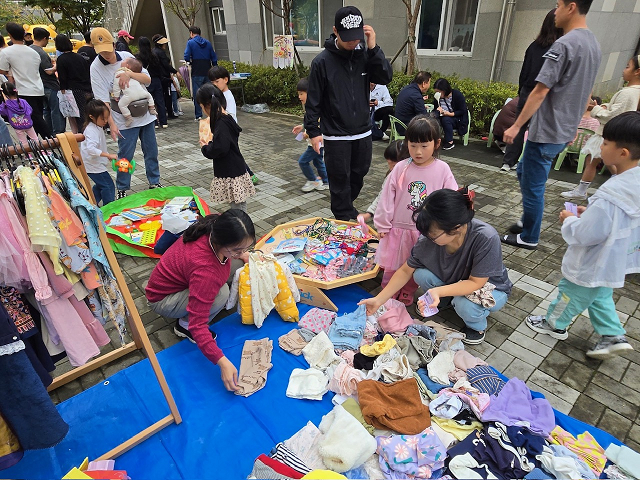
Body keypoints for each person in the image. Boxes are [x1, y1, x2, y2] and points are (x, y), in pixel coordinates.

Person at [525, 112, 640, 359]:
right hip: (614, 259)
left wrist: (571, 220)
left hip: (593, 259)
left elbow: (586, 234)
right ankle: (612, 334)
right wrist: (590, 214)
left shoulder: (611, 193)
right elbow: (616, 220)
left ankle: (554, 324)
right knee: (600, 294)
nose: (601, 146)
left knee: (570, 292)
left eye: (605, 142)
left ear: (623, 153)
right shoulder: (634, 183)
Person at [501, 0, 601, 250]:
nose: (555, 11)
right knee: (524, 172)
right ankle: (528, 220)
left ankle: (529, 236)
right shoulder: (593, 44)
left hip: (547, 131)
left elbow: (540, 90)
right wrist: (573, 126)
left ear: (571, 7)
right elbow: (585, 93)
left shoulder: (564, 44)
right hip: (561, 130)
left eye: (558, 5)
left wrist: (516, 126)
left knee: (533, 187)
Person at [360, 188, 512, 345]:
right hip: (456, 279)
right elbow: (405, 270)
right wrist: (379, 299)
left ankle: (476, 327)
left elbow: (476, 282)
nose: (427, 237)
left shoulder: (486, 237)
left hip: (490, 287)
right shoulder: (428, 238)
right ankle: (444, 301)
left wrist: (438, 291)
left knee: (464, 304)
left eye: (433, 234)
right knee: (421, 274)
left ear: (457, 228)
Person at [146, 210, 256, 392]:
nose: (241, 252)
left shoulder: (215, 224)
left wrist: (242, 254)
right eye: (237, 249)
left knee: (239, 265)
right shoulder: (206, 270)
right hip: (163, 299)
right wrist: (222, 362)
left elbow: (229, 256)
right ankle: (183, 325)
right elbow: (198, 325)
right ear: (222, 242)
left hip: (178, 283)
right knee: (222, 293)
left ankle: (193, 308)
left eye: (245, 247)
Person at [304, 5, 393, 221]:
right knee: (339, 179)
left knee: (359, 174)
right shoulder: (322, 62)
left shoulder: (364, 54)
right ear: (335, 31)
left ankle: (345, 207)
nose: (353, 42)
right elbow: (313, 101)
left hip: (363, 131)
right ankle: (342, 217)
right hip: (336, 134)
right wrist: (313, 131)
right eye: (348, 38)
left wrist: (374, 48)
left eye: (356, 37)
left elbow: (385, 77)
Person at [374, 116, 458, 306]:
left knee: (415, 264)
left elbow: (450, 197)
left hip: (425, 232)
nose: (418, 152)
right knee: (392, 265)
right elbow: (387, 197)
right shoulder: (401, 167)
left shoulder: (442, 169)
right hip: (398, 228)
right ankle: (387, 292)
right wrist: (382, 224)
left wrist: (446, 225)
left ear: (436, 144)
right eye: (413, 145)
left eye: (424, 146)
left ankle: (408, 291)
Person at [90, 27, 163, 199]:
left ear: (114, 45)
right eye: (101, 52)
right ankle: (122, 187)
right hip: (123, 118)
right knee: (125, 156)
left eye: (108, 50)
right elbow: (103, 101)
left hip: (145, 114)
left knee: (151, 151)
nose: (106, 55)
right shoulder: (95, 68)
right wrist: (112, 125)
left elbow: (147, 79)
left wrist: (129, 74)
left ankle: (154, 181)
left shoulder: (126, 57)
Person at [561, 56, 640, 200]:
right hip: (615, 134)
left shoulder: (628, 92)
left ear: (637, 71)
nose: (624, 70)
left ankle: (582, 191)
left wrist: (596, 109)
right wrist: (604, 106)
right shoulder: (633, 91)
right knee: (607, 163)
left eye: (628, 66)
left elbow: (613, 115)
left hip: (608, 133)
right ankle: (615, 189)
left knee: (592, 161)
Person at [502, 10, 563, 171]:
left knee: (519, 126)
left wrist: (521, 91)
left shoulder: (533, 46)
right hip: (545, 94)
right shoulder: (559, 48)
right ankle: (530, 164)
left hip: (527, 91)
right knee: (538, 131)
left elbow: (524, 71)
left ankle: (508, 161)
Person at [197, 83, 255, 212]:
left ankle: (240, 223)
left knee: (237, 206)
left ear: (207, 105)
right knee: (239, 202)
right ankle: (242, 221)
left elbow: (220, 148)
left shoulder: (221, 123)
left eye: (201, 107)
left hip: (231, 169)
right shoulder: (226, 118)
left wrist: (205, 147)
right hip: (235, 166)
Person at [0, 22, 51, 138]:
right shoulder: (33, 52)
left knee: (36, 119)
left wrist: (10, 71)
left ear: (10, 35)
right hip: (38, 89)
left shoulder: (7, 52)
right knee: (33, 119)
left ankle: (52, 140)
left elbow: (2, 70)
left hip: (23, 90)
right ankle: (34, 143)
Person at [357, 140, 408, 225]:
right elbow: (382, 195)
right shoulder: (390, 176)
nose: (391, 168)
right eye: (388, 163)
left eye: (394, 165)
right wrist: (369, 213)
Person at [292, 77, 329, 192]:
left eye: (301, 93)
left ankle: (313, 181)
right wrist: (302, 126)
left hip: (316, 142)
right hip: (316, 143)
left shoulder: (316, 108)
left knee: (303, 161)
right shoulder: (311, 107)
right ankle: (326, 181)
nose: (299, 97)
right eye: (298, 94)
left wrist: (307, 134)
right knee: (318, 162)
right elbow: (310, 122)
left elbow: (318, 125)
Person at [80, 99, 117, 205]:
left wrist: (106, 155)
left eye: (107, 118)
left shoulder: (97, 126)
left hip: (94, 164)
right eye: (102, 118)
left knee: (101, 186)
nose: (105, 121)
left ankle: (91, 205)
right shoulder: (91, 130)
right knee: (108, 186)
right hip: (93, 165)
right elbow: (91, 149)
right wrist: (108, 155)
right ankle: (109, 208)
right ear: (92, 117)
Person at [30, 27, 66, 135]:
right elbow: (49, 71)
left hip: (39, 85)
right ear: (44, 38)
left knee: (46, 110)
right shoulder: (40, 52)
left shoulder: (30, 49)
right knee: (56, 110)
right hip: (50, 85)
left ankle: (49, 133)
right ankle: (58, 133)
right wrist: (57, 65)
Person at [55, 34, 93, 133]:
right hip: (87, 88)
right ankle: (89, 133)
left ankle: (83, 135)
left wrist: (62, 90)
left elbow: (62, 77)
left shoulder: (61, 59)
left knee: (78, 115)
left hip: (73, 90)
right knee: (87, 113)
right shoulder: (80, 57)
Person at [184, 26, 217, 121]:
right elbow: (213, 57)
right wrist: (214, 66)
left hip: (197, 71)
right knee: (210, 93)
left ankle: (198, 115)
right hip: (207, 70)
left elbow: (186, 56)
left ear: (191, 33)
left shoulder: (190, 43)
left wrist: (189, 61)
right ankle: (212, 113)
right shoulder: (208, 43)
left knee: (197, 94)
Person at [112, 57, 158, 126]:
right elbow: (142, 84)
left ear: (127, 66)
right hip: (142, 93)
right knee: (149, 96)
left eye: (124, 60)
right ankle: (152, 108)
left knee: (121, 105)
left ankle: (128, 117)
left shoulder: (119, 73)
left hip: (130, 96)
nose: (122, 61)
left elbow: (116, 86)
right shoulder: (135, 74)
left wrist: (116, 96)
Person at [136, 36, 168, 128]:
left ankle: (154, 122)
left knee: (149, 101)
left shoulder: (138, 57)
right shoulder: (154, 56)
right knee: (160, 101)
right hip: (156, 80)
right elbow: (159, 68)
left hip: (145, 81)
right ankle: (164, 122)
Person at [433, 78, 468, 151]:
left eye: (439, 92)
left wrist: (450, 114)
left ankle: (450, 142)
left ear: (444, 90)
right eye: (436, 92)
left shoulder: (457, 95)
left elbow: (463, 110)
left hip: (457, 119)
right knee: (433, 119)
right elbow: (435, 109)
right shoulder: (437, 98)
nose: (437, 93)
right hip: (443, 117)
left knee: (446, 119)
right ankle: (433, 140)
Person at [152, 34, 178, 120]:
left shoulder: (153, 51)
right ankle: (170, 113)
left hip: (158, 77)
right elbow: (166, 65)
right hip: (165, 76)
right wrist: (175, 71)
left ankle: (162, 114)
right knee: (167, 95)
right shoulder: (161, 53)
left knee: (160, 97)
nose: (165, 45)